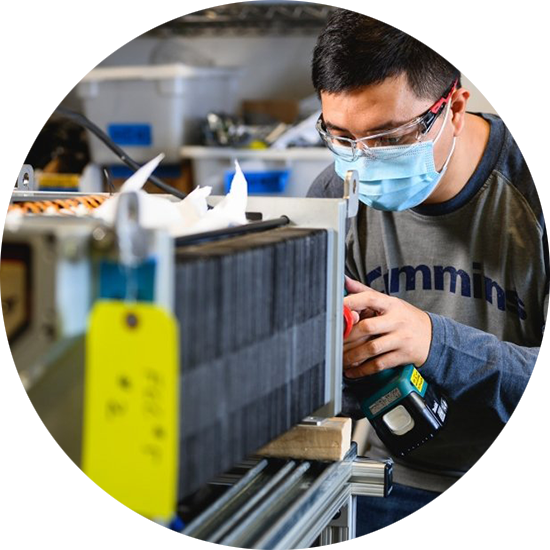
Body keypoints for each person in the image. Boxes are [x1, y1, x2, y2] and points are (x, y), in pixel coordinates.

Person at [307, 8, 548, 536]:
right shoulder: (334, 196)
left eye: (388, 137)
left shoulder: (530, 190)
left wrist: (434, 342)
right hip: (391, 481)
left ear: (455, 107)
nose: (360, 163)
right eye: (341, 137)